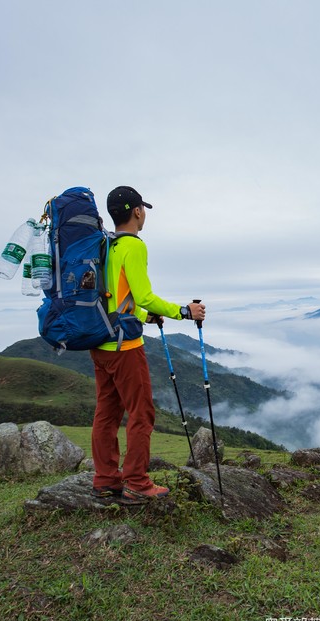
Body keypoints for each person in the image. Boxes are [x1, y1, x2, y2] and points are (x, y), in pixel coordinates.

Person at [90, 185, 205, 504]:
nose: (144, 215)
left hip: (99, 342)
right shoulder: (134, 247)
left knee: (107, 412)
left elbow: (119, 298)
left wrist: (145, 316)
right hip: (125, 347)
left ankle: (105, 481)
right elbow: (144, 296)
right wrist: (183, 311)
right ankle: (136, 482)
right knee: (142, 412)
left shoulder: (106, 246)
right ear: (137, 211)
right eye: (143, 209)